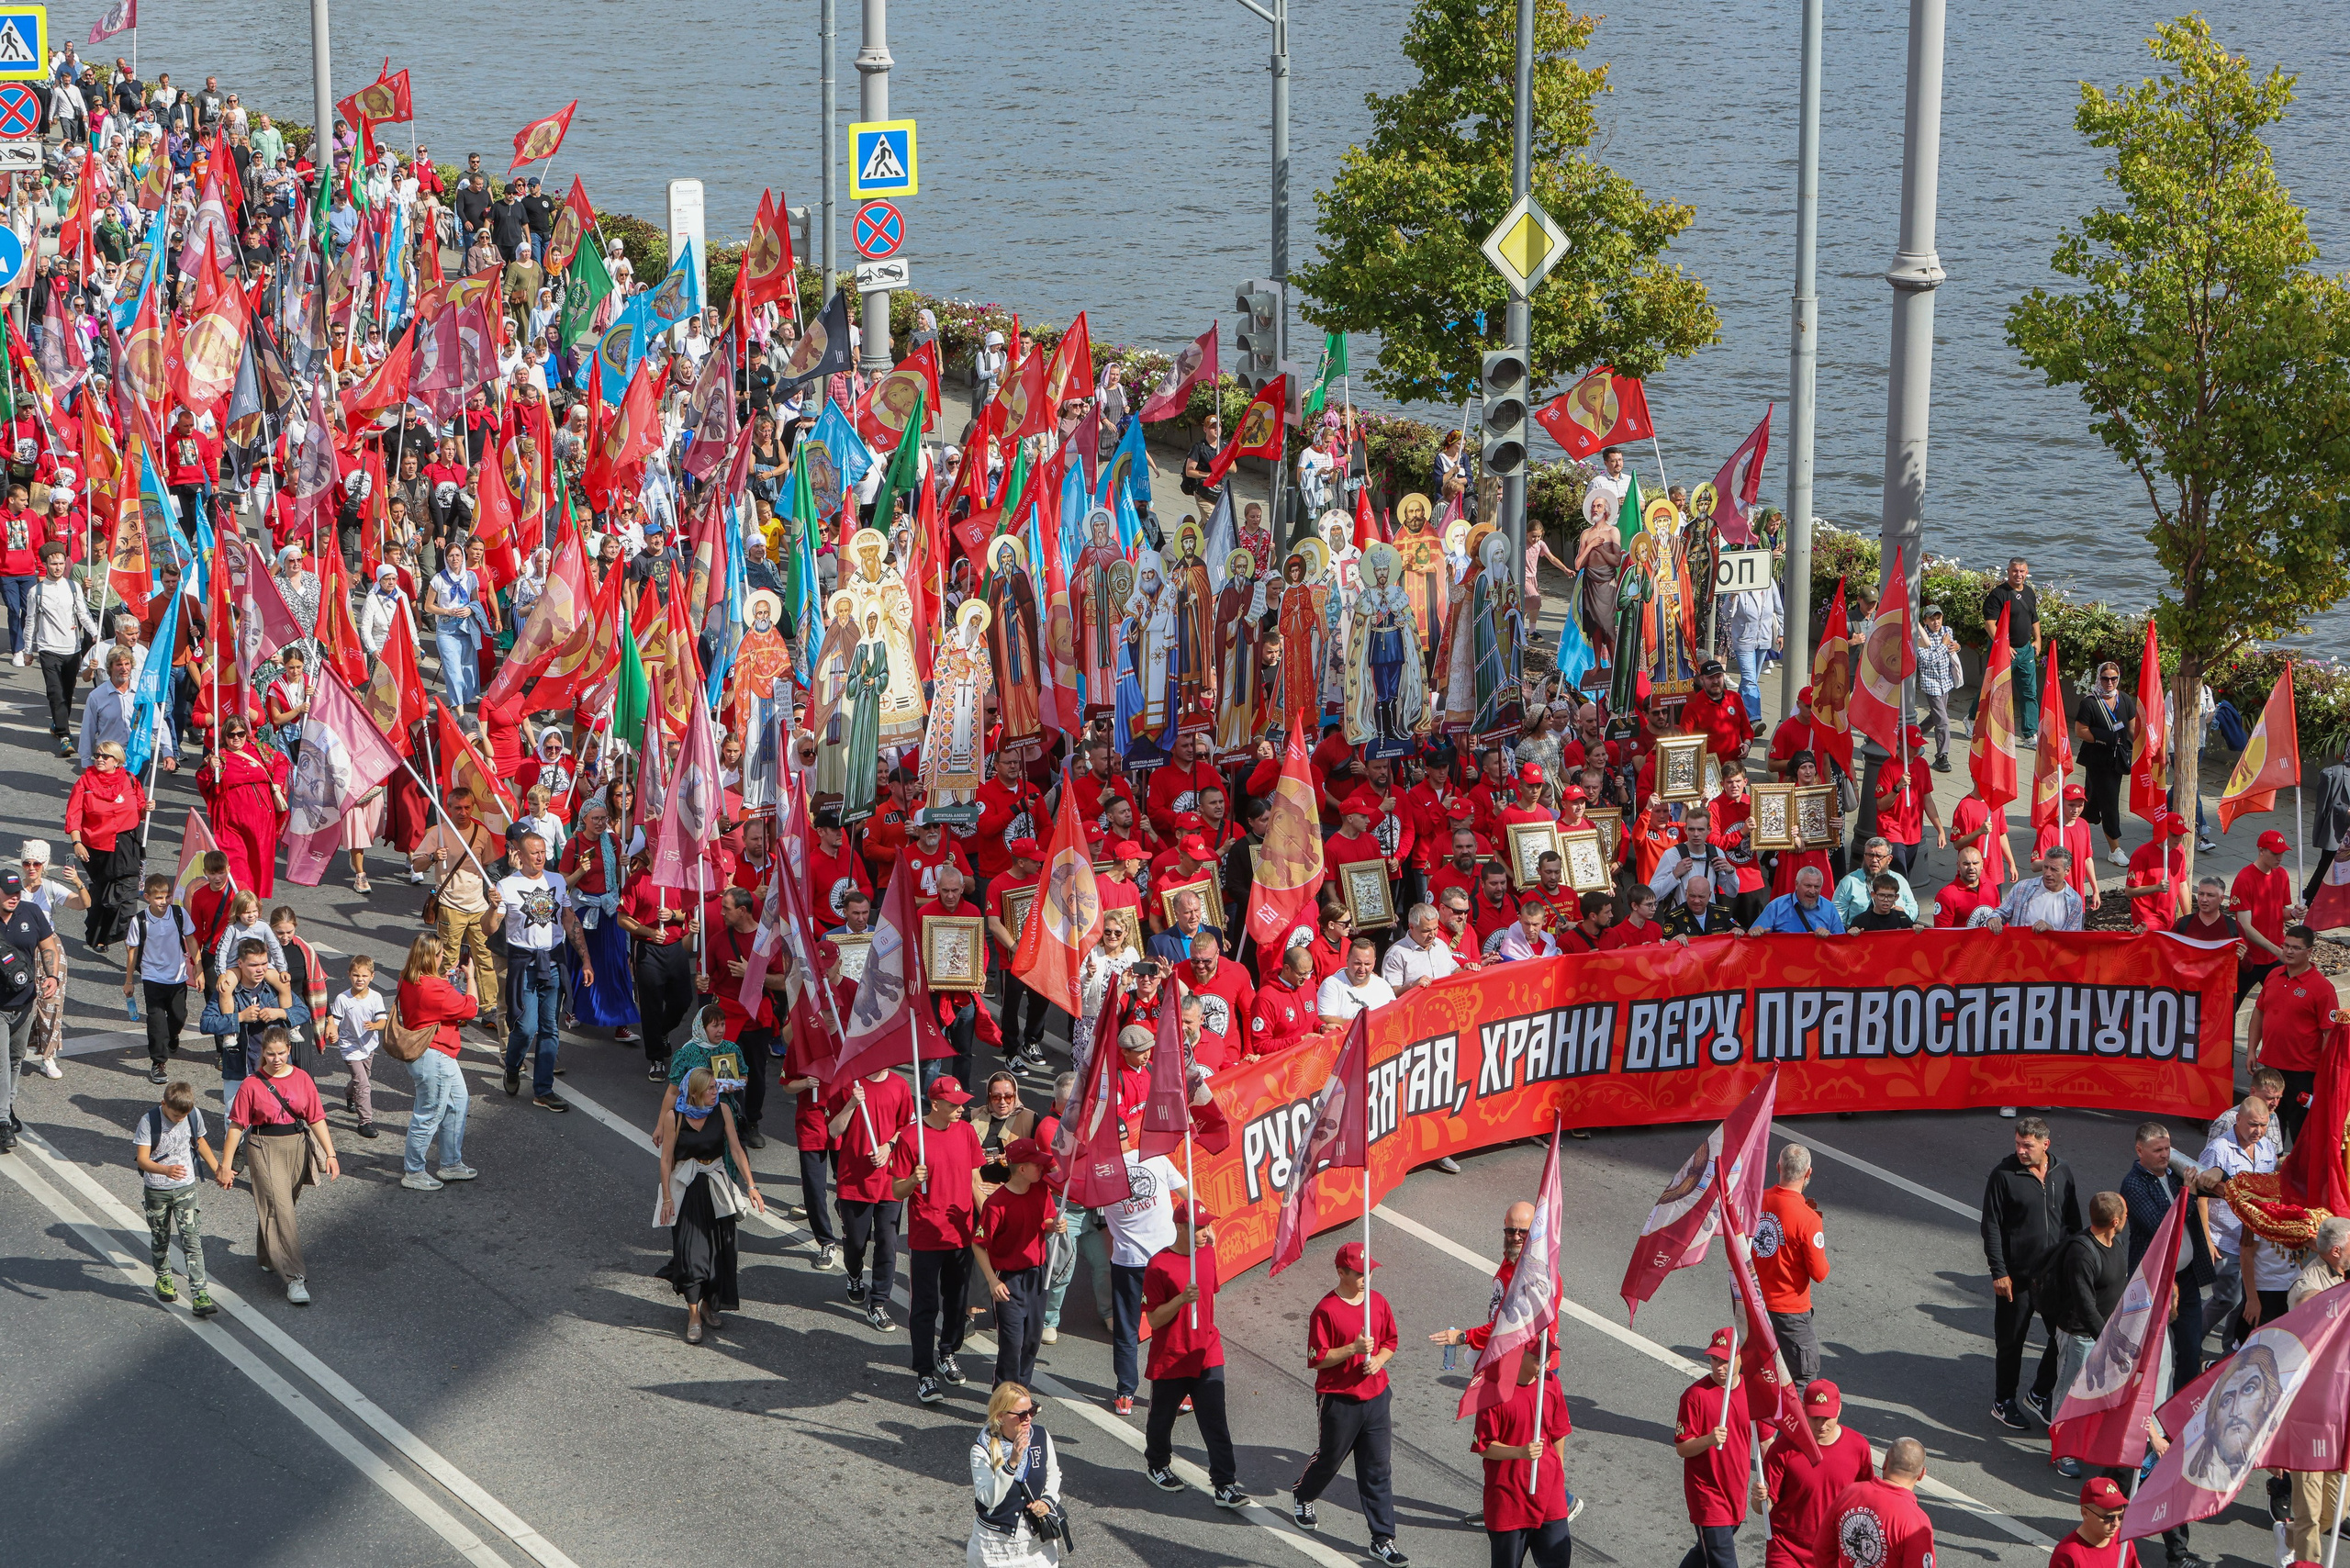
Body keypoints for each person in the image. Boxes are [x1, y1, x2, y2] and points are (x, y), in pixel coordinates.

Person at [1292, 1241, 1406, 1566]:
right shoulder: (1325, 1310)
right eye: (1359, 1273)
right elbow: (1317, 1359)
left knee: (1378, 1469)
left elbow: (1390, 1342)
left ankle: (1382, 1538)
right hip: (1339, 1401)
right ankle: (1304, 1494)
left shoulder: (1378, 1303)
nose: (1366, 1278)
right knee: (1330, 1459)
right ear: (1341, 1272)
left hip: (1376, 1398)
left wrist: (1379, 1360)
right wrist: (1353, 1349)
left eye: (1369, 1271)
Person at [214, 1026, 341, 1305]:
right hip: (263, 1147)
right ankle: (294, 1277)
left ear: (289, 1050)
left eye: (281, 1053)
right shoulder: (251, 1084)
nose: (276, 1058)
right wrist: (225, 1165)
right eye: (270, 1054)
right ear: (263, 1053)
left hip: (296, 1146)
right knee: (281, 1209)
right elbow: (236, 1126)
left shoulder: (303, 1079)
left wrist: (330, 1155)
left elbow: (316, 1117)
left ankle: (266, 1254)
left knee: (281, 1205)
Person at [1141, 1200, 1249, 1508]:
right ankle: (1157, 1464)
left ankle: (1225, 1484)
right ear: (1179, 1228)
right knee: (1161, 1420)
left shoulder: (1207, 1254)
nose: (1205, 1232)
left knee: (1216, 1421)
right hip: (1171, 1355)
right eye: (1198, 1227)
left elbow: (1208, 1297)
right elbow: (1154, 1319)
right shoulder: (1158, 1265)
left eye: (1207, 1225)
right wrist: (1180, 1300)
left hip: (1206, 1351)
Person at [1981, 1115, 2083, 1429]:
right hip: (2017, 1278)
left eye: (2028, 1145)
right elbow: (1992, 1227)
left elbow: (2073, 1221)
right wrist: (1999, 1272)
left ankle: (2040, 1393)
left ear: (2045, 1145)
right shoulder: (2003, 1175)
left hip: (2054, 1277)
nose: (2022, 1151)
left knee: (2064, 1336)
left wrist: (2075, 1263)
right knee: (2011, 1341)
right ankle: (2004, 1401)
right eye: (2018, 1144)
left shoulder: (2062, 1171)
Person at [655, 1066, 767, 1344]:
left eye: (717, 1088)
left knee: (720, 1252)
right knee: (691, 1255)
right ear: (695, 1093)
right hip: (688, 1192)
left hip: (716, 1187)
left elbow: (737, 1150)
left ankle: (708, 1306)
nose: (717, 1093)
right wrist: (667, 1198)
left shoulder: (723, 1111)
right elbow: (666, 1159)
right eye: (711, 1089)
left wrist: (751, 1186)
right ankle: (693, 1315)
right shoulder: (675, 1117)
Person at [895, 1074, 984, 1404]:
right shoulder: (910, 1138)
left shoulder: (967, 1132)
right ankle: (924, 1373)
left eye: (962, 1103)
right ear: (935, 1104)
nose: (961, 1109)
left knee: (958, 1303)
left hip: (961, 1234)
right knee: (925, 1306)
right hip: (926, 1236)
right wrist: (913, 1181)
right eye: (954, 1104)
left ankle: (948, 1352)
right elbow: (895, 1189)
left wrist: (987, 1215)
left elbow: (975, 1178)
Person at [492, 829, 588, 1113]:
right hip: (523, 964)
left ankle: (543, 1090)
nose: (540, 857)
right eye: (534, 853)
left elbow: (570, 921)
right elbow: (489, 928)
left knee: (550, 1028)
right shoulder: (507, 885)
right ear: (519, 855)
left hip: (554, 962)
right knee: (526, 1026)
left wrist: (586, 960)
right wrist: (491, 909)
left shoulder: (558, 881)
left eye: (543, 852)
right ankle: (512, 1065)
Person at [2118, 1121, 2214, 1395]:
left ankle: (2180, 1406)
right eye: (2158, 1149)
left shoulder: (2174, 1174)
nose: (2165, 1154)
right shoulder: (2134, 1184)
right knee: (2153, 1353)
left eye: (2168, 1148)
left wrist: (2214, 1172)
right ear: (2140, 1150)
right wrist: (2190, 1194)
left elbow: (2219, 1184)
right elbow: (2163, 1225)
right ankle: (2148, 1410)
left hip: (2186, 1278)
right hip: (2155, 1281)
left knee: (2191, 1346)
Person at [2042, 1191, 2128, 1477]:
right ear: (2115, 1221)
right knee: (2068, 1393)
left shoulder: (2116, 1243)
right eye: (2125, 1215)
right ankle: (2061, 1451)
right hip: (2080, 1336)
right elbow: (2084, 1304)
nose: (2127, 1219)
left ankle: (2085, 1441)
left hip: (2104, 1334)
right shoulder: (2082, 1252)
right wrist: (2109, 1339)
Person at [1101, 1136, 1187, 1414]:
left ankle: (1125, 1393)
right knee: (1172, 1324)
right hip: (1167, 1258)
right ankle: (1180, 1393)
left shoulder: (1098, 1172)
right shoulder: (1156, 1157)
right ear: (1130, 1137)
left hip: (1129, 1263)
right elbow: (1188, 1196)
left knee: (1127, 1328)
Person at [1472, 1338, 1576, 1568]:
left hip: (1550, 1496)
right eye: (1539, 1357)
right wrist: (1520, 1452)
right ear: (1519, 1355)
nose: (1546, 1363)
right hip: (1509, 1501)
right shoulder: (1494, 1391)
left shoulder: (1551, 1384)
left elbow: (1559, 1432)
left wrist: (1557, 1470)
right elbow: (1485, 1447)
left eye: (1548, 1356)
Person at [975, 1137, 1067, 1390]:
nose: (1042, 1169)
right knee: (1012, 1344)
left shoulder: (1040, 1190)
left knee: (1032, 1341)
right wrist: (993, 1281)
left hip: (1037, 1276)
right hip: (1009, 1280)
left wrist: (1054, 1225)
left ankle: (1021, 1394)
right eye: (1036, 1165)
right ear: (1022, 1169)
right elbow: (978, 1243)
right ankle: (1004, 1400)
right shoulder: (996, 1205)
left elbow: (1045, 1223)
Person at [1751, 1379, 1872, 1568]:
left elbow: (1867, 1500)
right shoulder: (1782, 1449)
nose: (1821, 1425)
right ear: (1802, 1408)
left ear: (1839, 1409)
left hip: (1834, 1555)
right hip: (1787, 1552)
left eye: (1827, 1417)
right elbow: (1763, 1508)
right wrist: (1759, 1498)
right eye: (1815, 1417)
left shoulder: (1859, 1447)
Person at [830, 1063, 914, 1330]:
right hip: (854, 1180)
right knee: (855, 1242)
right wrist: (852, 1103)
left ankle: (878, 1303)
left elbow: (907, 1130)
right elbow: (833, 1130)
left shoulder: (900, 1086)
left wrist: (889, 1147)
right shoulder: (848, 1083)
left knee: (888, 1242)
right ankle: (854, 1273)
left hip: (891, 1180)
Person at [394, 932, 477, 1192]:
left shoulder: (409, 979)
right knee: (429, 1114)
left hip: (429, 1054)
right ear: (434, 957)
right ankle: (414, 1171)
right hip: (436, 1055)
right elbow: (471, 1008)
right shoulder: (437, 988)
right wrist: (470, 977)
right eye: (441, 953)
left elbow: (434, 994)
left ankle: (451, 1163)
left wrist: (445, 979)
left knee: (458, 1103)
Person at [134, 1078, 221, 1318]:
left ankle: (200, 1294)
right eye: (174, 1116)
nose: (179, 1119)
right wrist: (166, 1170)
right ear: (164, 1103)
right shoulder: (148, 1121)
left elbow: (200, 1141)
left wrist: (217, 1169)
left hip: (185, 1188)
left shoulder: (193, 1115)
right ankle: (163, 1278)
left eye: (184, 1115)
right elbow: (142, 1160)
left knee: (192, 1241)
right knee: (160, 1236)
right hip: (157, 1189)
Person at [2196, 1096, 2275, 1351]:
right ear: (2238, 1119)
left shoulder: (2267, 1149)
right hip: (2225, 1240)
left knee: (2245, 1301)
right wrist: (2206, 1239)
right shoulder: (2218, 1149)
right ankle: (2191, 1336)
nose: (2258, 1131)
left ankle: (2229, 1349)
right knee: (2228, 1298)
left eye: (2263, 1125)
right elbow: (2199, 1198)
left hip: (2255, 1241)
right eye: (2253, 1124)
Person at [2246, 926, 2338, 1144]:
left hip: (2302, 1074)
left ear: (2309, 952)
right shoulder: (2273, 976)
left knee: (2301, 1133)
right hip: (2269, 1068)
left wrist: (2323, 1073)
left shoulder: (2323, 989)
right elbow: (2259, 1011)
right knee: (2264, 1130)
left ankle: (2299, 1177)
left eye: (2296, 948)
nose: (2288, 951)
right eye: (2286, 946)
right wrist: (2251, 1050)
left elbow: (2330, 1033)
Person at [1675, 1327, 1751, 1568]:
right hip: (1707, 1497)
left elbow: (1766, 1439)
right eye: (1714, 1359)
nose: (1719, 1367)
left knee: (1705, 1551)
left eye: (1726, 1360)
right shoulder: (1695, 1396)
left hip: (1735, 1492)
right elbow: (1683, 1448)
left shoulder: (1753, 1392)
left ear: (1741, 1359)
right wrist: (1709, 1440)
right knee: (1723, 1561)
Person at [1754, 1145, 1830, 1385]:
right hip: (1790, 1313)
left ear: (1778, 1167)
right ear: (1808, 1173)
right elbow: (1820, 1273)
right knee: (1801, 1378)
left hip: (1755, 1304)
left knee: (1758, 1376)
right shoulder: (1808, 1219)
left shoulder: (1756, 1200)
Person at [968, 1383, 1064, 1568]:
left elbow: (1054, 1473)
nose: (1028, 1418)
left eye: (1032, 1410)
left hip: (1037, 1546)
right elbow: (988, 1499)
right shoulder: (981, 1450)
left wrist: (1047, 1501)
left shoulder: (1041, 1437)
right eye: (1021, 1414)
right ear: (1001, 1416)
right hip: (994, 1547)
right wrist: (1012, 1463)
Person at [65, 738, 147, 949]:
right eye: (97, 755)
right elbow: (73, 815)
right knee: (104, 896)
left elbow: (139, 809)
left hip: (127, 844)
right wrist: (77, 842)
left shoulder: (130, 779)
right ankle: (98, 935)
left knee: (128, 894)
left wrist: (147, 809)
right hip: (97, 847)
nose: (99, 759)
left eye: (105, 756)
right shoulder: (84, 783)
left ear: (117, 761)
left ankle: (130, 939)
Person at [122, 871, 200, 1085]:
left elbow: (191, 940)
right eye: (158, 897)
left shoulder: (179, 914)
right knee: (156, 1022)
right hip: (152, 977)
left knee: (178, 1016)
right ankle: (158, 1063)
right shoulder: (139, 921)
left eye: (166, 896)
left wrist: (199, 969)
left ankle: (173, 1036)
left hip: (177, 977)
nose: (164, 901)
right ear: (146, 897)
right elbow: (132, 952)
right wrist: (129, 981)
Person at [1815, 1437, 1932, 1568]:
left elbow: (1822, 1549)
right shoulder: (1917, 1523)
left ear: (1885, 1463)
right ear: (1922, 1474)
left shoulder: (1849, 1493)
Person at [327, 954, 386, 1140]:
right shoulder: (343, 999)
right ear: (349, 975)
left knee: (362, 1078)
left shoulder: (375, 997)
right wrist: (332, 1031)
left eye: (364, 976)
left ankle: (349, 1094)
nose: (360, 979)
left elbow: (383, 1020)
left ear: (372, 976)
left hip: (368, 1045)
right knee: (363, 1083)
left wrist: (374, 1026)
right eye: (355, 975)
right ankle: (365, 1121)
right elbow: (334, 1021)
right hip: (349, 1046)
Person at [1982, 558, 2040, 743]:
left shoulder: (2030, 593)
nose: (2019, 574)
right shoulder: (1999, 594)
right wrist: (2003, 646)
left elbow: (2034, 618)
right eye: (2015, 571)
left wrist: (2038, 639)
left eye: (2022, 571)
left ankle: (2030, 734)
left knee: (2029, 692)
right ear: (2008, 571)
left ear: (2027, 572)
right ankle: (1973, 720)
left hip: (2025, 651)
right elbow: (1989, 624)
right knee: (1993, 690)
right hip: (2004, 651)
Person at [2047, 1477, 2136, 1568]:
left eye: (2121, 1516)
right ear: (2085, 1513)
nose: (2116, 1523)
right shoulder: (2067, 1555)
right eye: (2109, 1517)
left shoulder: (2124, 1541)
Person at [1990, 850, 2086, 933]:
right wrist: (1994, 919)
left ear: (2067, 871)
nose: (2048, 873)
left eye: (2054, 869)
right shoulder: (2022, 888)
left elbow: (2072, 940)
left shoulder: (2074, 901)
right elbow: (2000, 913)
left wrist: (2051, 930)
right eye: (2045, 867)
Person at [1316, 936, 1397, 1026]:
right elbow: (1324, 1017)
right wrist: (1360, 1024)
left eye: (1367, 964)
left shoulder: (1383, 985)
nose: (1362, 969)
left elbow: (1395, 1013)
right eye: (1357, 963)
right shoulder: (1331, 984)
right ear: (1347, 959)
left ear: (1374, 962)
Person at [1750, 867, 1845, 935]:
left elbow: (1841, 944)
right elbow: (1754, 933)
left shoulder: (1829, 908)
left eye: (1816, 887)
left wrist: (1829, 937)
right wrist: (1756, 931)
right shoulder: (1776, 906)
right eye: (1808, 886)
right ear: (1796, 884)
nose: (1812, 891)